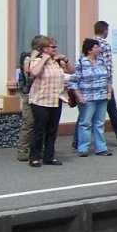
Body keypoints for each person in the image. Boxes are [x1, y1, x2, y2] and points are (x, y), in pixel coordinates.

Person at [27, 35, 75, 167]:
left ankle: (49, 156)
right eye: (53, 47)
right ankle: (34, 157)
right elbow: (34, 73)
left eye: (55, 47)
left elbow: (72, 71)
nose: (55, 49)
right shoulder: (36, 61)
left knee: (52, 130)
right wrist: (44, 59)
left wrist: (66, 60)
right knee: (39, 129)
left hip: (55, 99)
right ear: (44, 48)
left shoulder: (57, 62)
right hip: (40, 100)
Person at [71, 38, 113, 157]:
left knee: (99, 123)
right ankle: (83, 148)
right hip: (87, 98)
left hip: (101, 96)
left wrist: (109, 91)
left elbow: (108, 78)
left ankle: (101, 148)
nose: (98, 49)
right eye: (96, 47)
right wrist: (78, 96)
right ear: (89, 50)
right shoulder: (81, 63)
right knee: (85, 122)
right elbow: (73, 81)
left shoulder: (102, 61)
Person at [16, 34, 43, 162]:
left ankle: (39, 149)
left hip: (42, 96)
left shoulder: (44, 58)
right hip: (29, 96)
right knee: (29, 123)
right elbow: (27, 70)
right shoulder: (27, 58)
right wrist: (34, 56)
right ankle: (23, 150)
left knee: (41, 124)